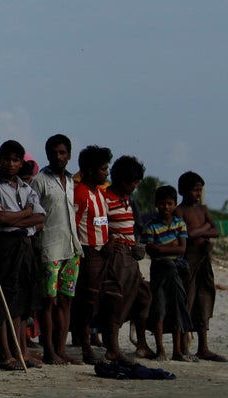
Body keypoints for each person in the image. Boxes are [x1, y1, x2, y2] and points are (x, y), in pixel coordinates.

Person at [0, 140, 45, 369]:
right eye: (7, 159)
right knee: (4, 300)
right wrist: (26, 213)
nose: (10, 164)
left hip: (25, 243)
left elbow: (40, 217)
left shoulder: (26, 188)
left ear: (21, 163)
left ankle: (22, 351)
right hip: (5, 244)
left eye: (15, 160)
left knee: (23, 300)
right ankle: (6, 354)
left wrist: (18, 216)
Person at [29, 134, 81, 365]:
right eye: (54, 153)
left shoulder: (71, 181)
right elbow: (32, 213)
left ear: (69, 155)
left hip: (71, 248)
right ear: (47, 154)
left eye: (62, 153)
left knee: (66, 301)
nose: (58, 157)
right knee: (48, 302)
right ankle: (49, 349)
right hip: (49, 249)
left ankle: (61, 348)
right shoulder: (39, 181)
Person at [101, 156, 154, 361]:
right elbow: (99, 222)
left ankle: (141, 343)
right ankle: (112, 347)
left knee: (143, 296)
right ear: (123, 181)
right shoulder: (106, 198)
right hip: (117, 258)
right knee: (116, 300)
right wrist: (108, 242)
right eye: (134, 183)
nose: (135, 187)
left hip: (130, 257)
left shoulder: (127, 200)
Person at [176, 171, 225, 361]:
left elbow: (216, 230)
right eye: (195, 190)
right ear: (183, 190)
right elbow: (186, 233)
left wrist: (201, 231)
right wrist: (203, 229)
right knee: (187, 301)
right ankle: (182, 346)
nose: (198, 194)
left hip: (204, 262)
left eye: (200, 190)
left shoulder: (203, 209)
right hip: (189, 263)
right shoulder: (180, 211)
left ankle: (203, 346)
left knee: (205, 300)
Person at [72, 145, 113, 364]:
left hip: (103, 252)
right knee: (86, 301)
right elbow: (75, 226)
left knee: (99, 301)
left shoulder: (99, 193)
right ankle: (85, 345)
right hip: (88, 253)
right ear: (89, 170)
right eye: (103, 169)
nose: (106, 173)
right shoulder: (80, 194)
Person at [142, 186, 193, 361]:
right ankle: (161, 350)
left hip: (176, 270)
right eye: (162, 203)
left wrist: (160, 248)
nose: (166, 207)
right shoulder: (150, 226)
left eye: (170, 203)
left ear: (175, 204)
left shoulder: (180, 223)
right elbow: (151, 251)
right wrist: (169, 249)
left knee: (177, 307)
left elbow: (182, 249)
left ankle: (177, 350)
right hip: (160, 271)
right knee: (160, 308)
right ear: (157, 204)